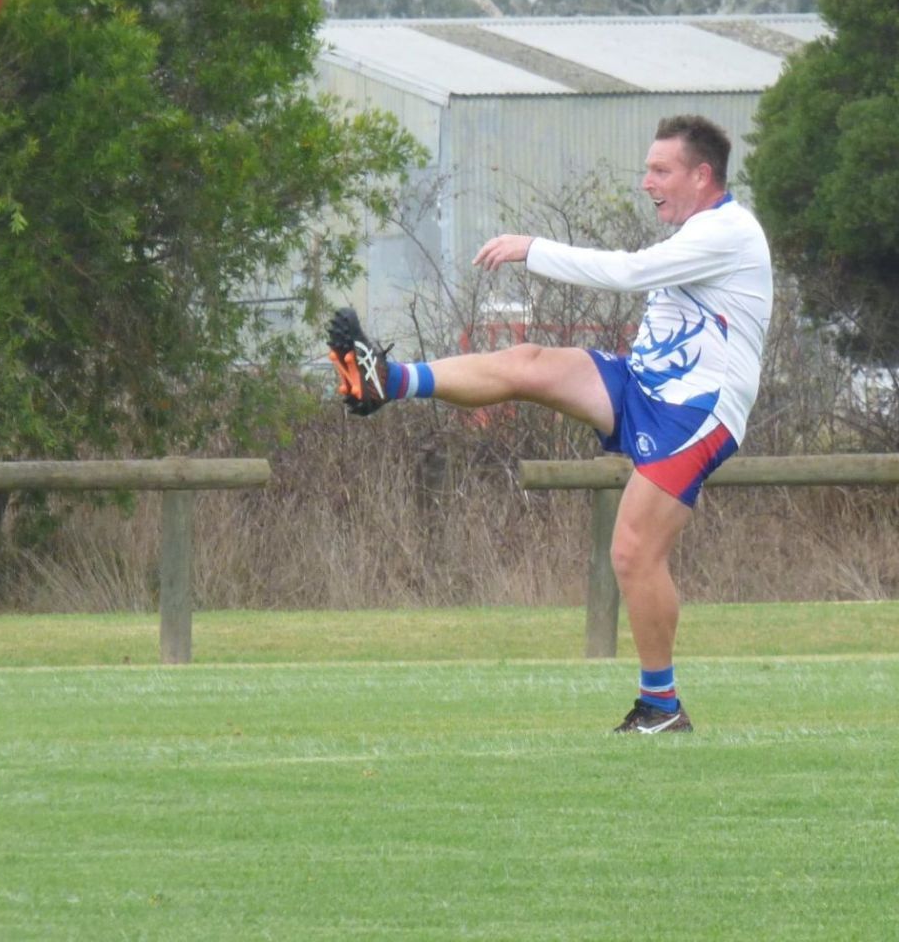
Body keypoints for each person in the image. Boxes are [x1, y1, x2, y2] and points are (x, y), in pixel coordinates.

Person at [327, 114, 773, 734]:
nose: (646, 182)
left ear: (702, 176)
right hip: (643, 385)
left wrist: (532, 248)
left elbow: (628, 273)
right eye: (647, 169)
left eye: (660, 170)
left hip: (696, 415)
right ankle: (388, 381)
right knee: (527, 364)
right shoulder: (697, 230)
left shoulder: (729, 231)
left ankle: (661, 707)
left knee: (633, 553)